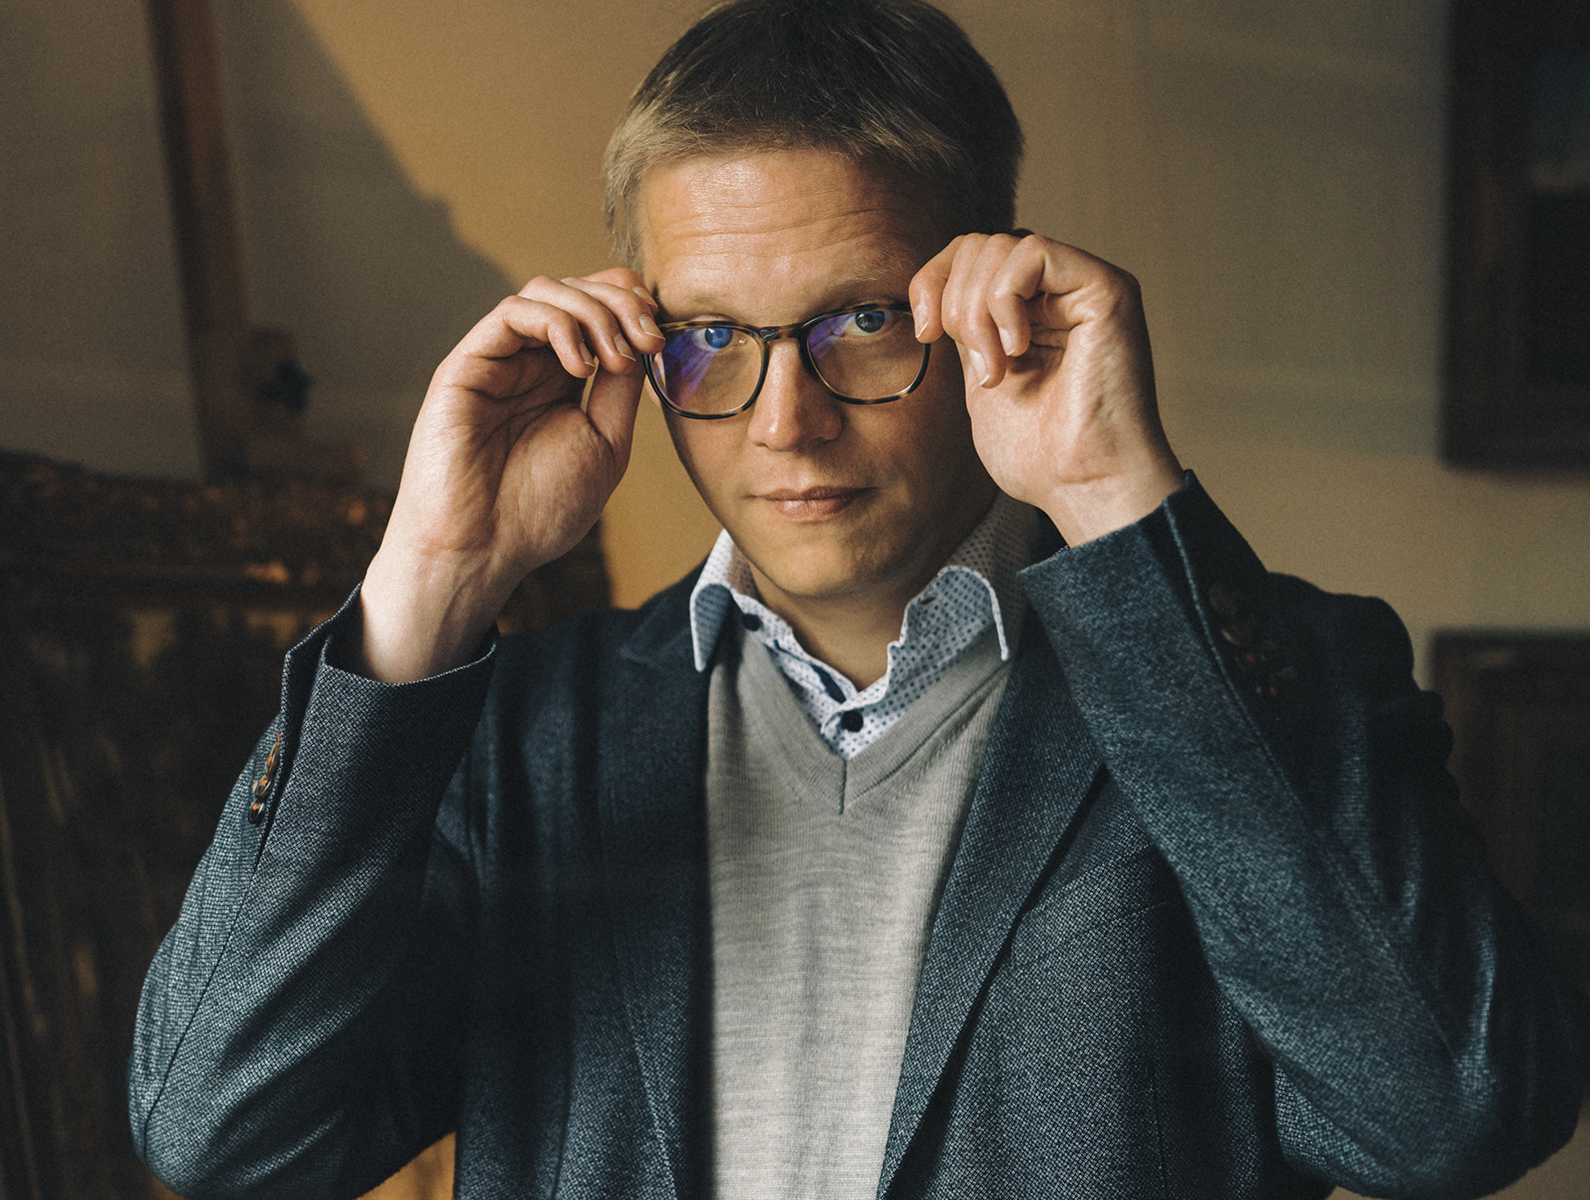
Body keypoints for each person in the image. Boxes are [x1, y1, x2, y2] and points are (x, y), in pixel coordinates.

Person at [128, 2, 1589, 1197]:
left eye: (864, 322)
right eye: (712, 337)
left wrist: (1114, 498)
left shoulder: (1263, 672)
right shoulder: (521, 736)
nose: (786, 422)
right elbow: (219, 1128)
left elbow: (1454, 1116)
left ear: (985, 298)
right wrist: (431, 579)